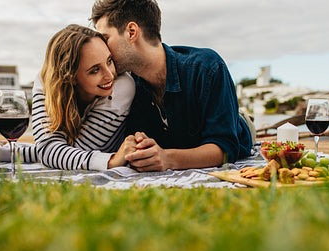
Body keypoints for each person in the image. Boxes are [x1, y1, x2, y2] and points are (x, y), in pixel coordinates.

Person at [90, 0, 254, 172]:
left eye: (105, 39)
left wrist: (167, 159)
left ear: (132, 32)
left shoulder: (207, 68)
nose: (103, 49)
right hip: (180, 138)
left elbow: (226, 147)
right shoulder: (129, 86)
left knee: (239, 121)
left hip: (238, 125)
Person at [0, 24, 137, 170]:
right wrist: (45, 150)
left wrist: (12, 152)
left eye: (109, 61)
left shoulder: (121, 86)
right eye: (95, 70)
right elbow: (54, 153)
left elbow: (74, 151)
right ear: (71, 77)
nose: (110, 75)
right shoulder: (46, 81)